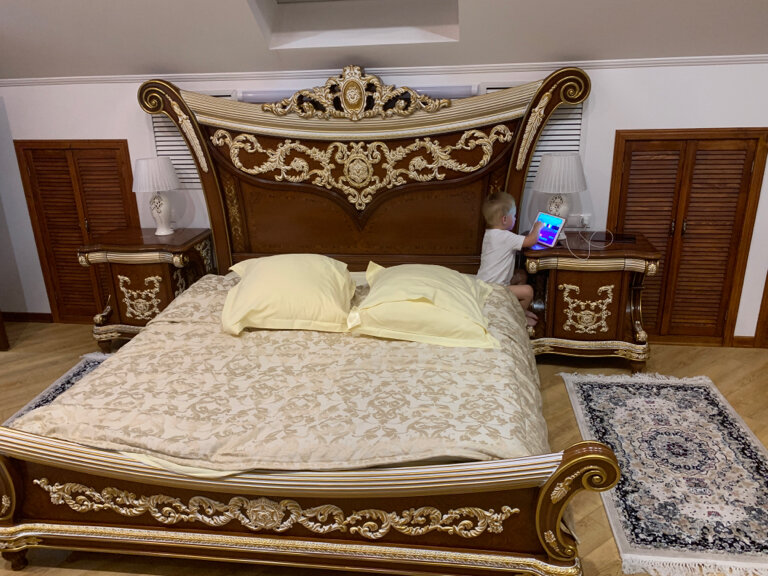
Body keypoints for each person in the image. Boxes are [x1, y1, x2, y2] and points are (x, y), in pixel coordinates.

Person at [476, 192, 544, 326]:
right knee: (528, 291)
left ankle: (518, 310)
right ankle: (520, 319)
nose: (515, 218)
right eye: (514, 215)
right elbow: (531, 240)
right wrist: (537, 227)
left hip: (484, 284)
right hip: (494, 289)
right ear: (504, 219)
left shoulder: (490, 234)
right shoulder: (505, 237)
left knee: (520, 275)